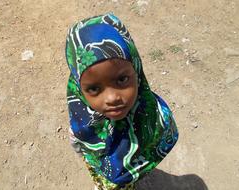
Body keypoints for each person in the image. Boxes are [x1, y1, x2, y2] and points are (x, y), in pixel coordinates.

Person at [65, 13, 178, 190]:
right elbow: (81, 149)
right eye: (94, 89)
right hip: (103, 175)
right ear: (79, 90)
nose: (112, 98)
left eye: (122, 80)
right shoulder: (82, 125)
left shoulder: (152, 113)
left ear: (136, 70)